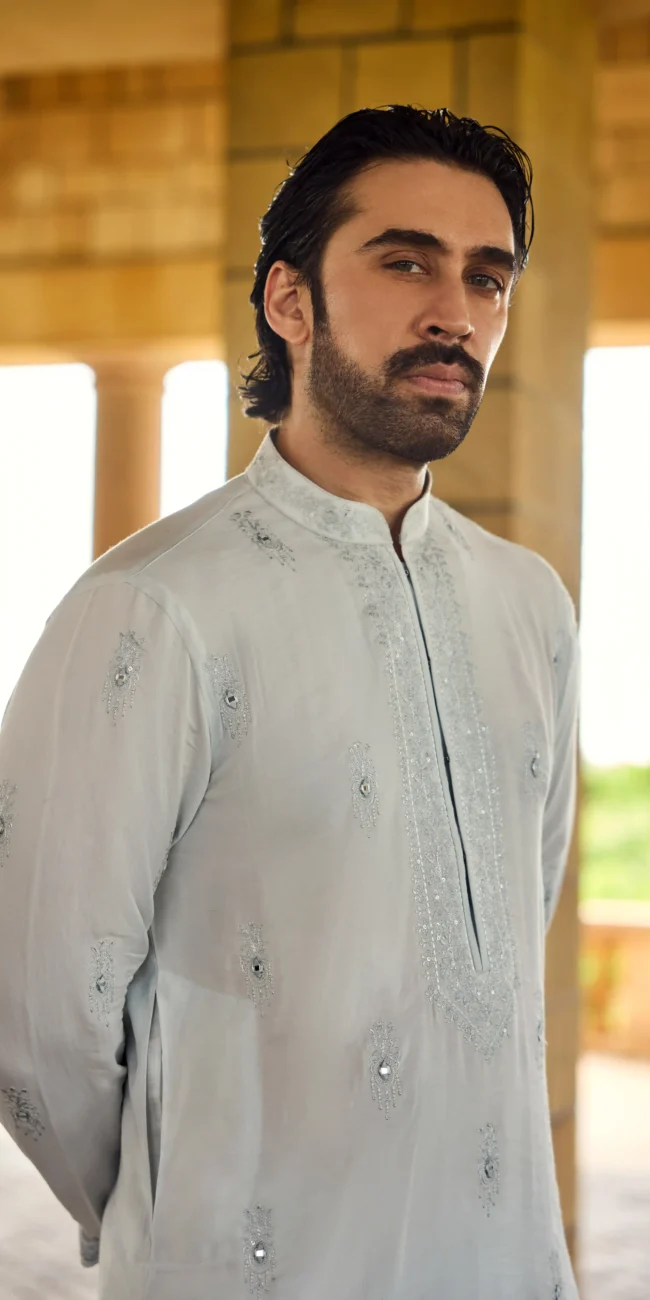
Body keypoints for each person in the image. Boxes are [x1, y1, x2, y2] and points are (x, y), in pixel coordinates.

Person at [0, 106, 580, 1299]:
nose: (455, 312)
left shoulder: (529, 605)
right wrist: (181, 1196)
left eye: (486, 277)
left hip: (507, 1263)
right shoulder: (152, 607)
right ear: (289, 300)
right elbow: (40, 1012)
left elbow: (522, 917)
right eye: (405, 262)